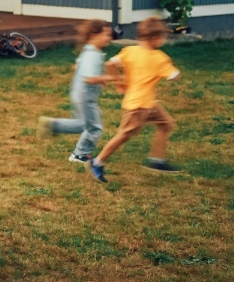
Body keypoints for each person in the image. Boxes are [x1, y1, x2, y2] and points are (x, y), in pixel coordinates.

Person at [89, 16, 182, 183]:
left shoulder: (130, 51)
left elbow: (110, 64)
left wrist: (118, 82)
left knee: (166, 124)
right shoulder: (159, 58)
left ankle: (157, 160)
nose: (163, 40)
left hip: (148, 104)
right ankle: (97, 162)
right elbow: (174, 76)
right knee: (124, 135)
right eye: (162, 37)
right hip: (139, 107)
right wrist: (174, 72)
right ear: (154, 38)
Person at [38, 20, 116, 163]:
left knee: (82, 124)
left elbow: (76, 67)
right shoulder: (92, 54)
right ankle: (80, 155)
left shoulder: (88, 50)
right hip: (86, 97)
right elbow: (90, 78)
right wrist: (109, 77)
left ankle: (53, 125)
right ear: (94, 35)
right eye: (106, 35)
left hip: (78, 93)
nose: (109, 38)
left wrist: (99, 78)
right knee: (94, 128)